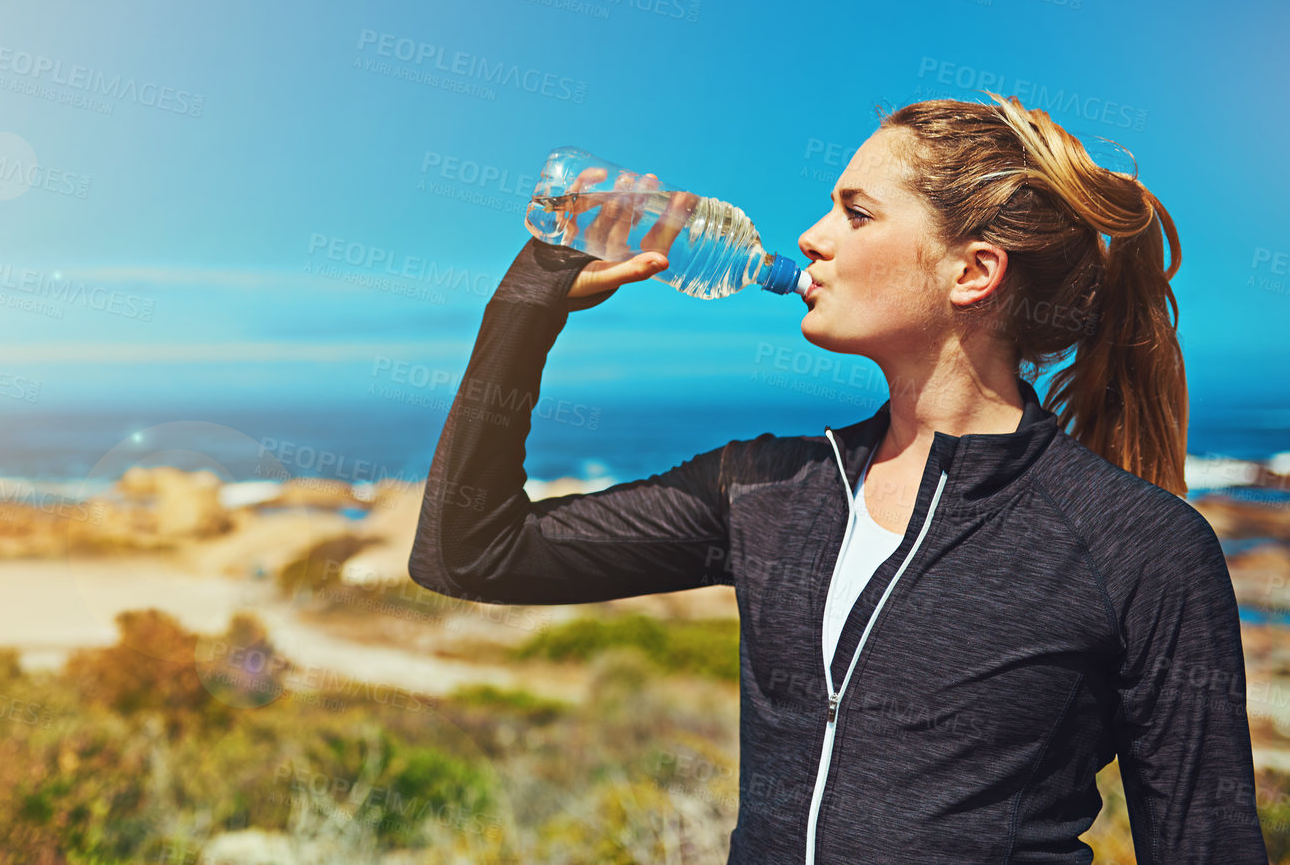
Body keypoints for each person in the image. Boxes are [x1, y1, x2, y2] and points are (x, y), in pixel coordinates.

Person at [407, 93, 1267, 864]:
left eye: (855, 213)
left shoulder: (1140, 546)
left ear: (972, 271)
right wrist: (529, 300)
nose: (811, 238)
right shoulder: (766, 487)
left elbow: (1206, 843)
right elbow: (471, 554)